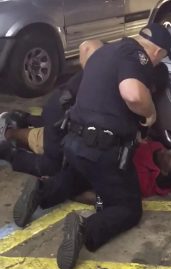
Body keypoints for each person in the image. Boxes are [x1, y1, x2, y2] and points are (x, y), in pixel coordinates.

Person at [12, 23, 171, 269]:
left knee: (81, 176)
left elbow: (86, 49)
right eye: (161, 57)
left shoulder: (107, 51)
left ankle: (42, 190)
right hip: (104, 149)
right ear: (158, 52)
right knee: (128, 208)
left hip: (73, 142)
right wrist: (149, 112)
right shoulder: (138, 57)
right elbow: (132, 94)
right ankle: (86, 228)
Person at [0, 40, 103, 177]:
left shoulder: (107, 68)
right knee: (53, 166)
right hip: (60, 111)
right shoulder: (109, 76)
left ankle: (21, 118)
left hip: (61, 107)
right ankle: (8, 149)